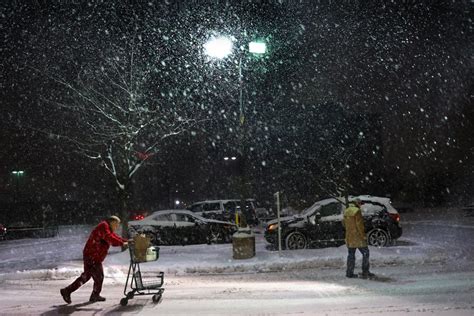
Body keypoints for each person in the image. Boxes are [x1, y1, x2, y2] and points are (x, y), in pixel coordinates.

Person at [60, 215, 128, 304]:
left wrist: (125, 241)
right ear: (111, 222)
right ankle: (94, 295)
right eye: (116, 224)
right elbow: (110, 239)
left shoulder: (107, 228)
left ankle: (67, 291)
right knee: (99, 276)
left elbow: (114, 238)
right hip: (92, 256)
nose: (117, 227)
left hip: (91, 255)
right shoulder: (104, 226)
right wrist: (122, 243)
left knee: (86, 276)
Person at [343, 198, 375, 279]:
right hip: (358, 237)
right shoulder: (357, 211)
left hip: (349, 236)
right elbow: (359, 225)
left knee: (351, 255)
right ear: (357, 203)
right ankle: (365, 271)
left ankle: (349, 273)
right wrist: (363, 235)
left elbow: (344, 223)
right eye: (360, 204)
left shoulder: (346, 211)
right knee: (366, 253)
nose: (360, 206)